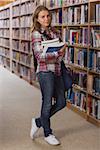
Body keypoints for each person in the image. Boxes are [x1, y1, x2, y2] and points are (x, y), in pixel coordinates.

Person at [30, 5, 67, 146]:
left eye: (48, 16)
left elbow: (58, 57)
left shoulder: (55, 32)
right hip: (45, 72)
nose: (46, 19)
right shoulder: (36, 34)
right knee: (47, 103)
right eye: (42, 17)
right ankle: (47, 133)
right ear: (37, 19)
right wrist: (57, 53)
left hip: (57, 70)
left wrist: (61, 53)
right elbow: (40, 56)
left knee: (62, 102)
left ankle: (38, 121)